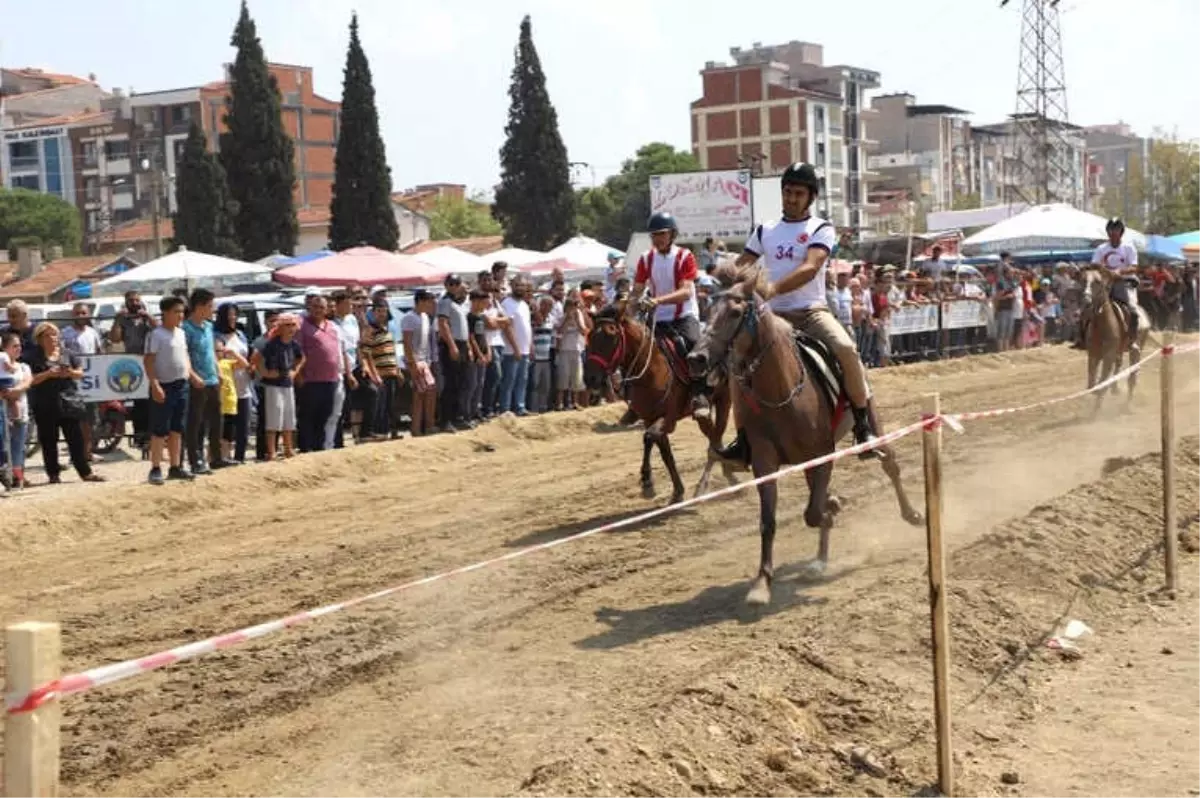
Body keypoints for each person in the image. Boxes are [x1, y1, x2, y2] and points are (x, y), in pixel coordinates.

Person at [716, 162, 879, 463]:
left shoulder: (820, 228)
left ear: (811, 197)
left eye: (798, 193)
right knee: (736, 363)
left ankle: (863, 423)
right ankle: (743, 437)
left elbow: (811, 267)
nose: (791, 198)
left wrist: (773, 288)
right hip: (772, 317)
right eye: (787, 192)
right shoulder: (765, 230)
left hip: (811, 312)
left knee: (845, 348)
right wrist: (725, 271)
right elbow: (744, 262)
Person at [631, 211, 711, 421]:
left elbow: (686, 292)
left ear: (672, 234)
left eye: (662, 234)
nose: (657, 239)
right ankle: (636, 400)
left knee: (694, 347)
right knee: (637, 350)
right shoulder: (646, 259)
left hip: (684, 314)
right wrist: (628, 307)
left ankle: (700, 395)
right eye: (654, 235)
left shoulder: (685, 256)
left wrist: (657, 301)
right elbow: (637, 289)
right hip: (658, 317)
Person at [26, 323, 104, 484]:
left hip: (68, 402)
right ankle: (53, 474)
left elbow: (80, 373)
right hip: (45, 404)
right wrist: (48, 374)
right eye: (47, 335)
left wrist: (69, 372)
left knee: (76, 439)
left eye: (54, 335)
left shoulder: (67, 353)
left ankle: (85, 472)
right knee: (48, 441)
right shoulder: (32, 357)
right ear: (39, 339)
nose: (52, 338)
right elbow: (29, 380)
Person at [144, 296, 197, 484]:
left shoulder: (181, 333)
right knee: (160, 429)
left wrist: (192, 375)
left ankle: (176, 466)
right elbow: (149, 360)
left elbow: (185, 356)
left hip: (181, 384)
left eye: (182, 311)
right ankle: (155, 467)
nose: (180, 315)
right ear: (165, 313)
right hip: (164, 385)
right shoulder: (156, 334)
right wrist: (155, 384)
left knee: (177, 428)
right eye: (176, 311)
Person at [1079, 217, 1140, 353]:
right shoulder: (1101, 248)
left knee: (1132, 309)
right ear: (1107, 231)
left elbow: (1134, 267)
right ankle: (1082, 339)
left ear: (1121, 231)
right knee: (1087, 306)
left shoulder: (1128, 247)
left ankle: (1132, 340)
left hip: (1125, 283)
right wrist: (1103, 270)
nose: (1113, 232)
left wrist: (1119, 271)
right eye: (1111, 229)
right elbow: (1094, 264)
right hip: (1105, 284)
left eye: (1116, 229)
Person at [182, 288, 223, 474]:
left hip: (212, 377)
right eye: (209, 305)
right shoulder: (185, 328)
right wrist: (192, 374)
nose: (212, 309)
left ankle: (216, 457)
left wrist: (218, 370)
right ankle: (195, 459)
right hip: (196, 380)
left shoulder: (208, 326)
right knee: (195, 422)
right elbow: (184, 355)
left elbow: (211, 351)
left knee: (216, 419)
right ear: (199, 306)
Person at [110, 290, 158, 449]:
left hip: (150, 360)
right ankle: (140, 437)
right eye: (131, 301)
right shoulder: (123, 319)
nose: (135, 303)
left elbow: (158, 329)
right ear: (126, 302)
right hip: (134, 362)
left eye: (137, 300)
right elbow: (115, 338)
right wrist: (117, 320)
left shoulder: (146, 317)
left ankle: (154, 436)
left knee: (153, 399)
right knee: (138, 402)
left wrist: (147, 317)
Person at [254, 314, 304, 460]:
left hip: (287, 384)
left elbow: (301, 357)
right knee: (274, 417)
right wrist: (266, 373)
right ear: (280, 327)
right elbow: (256, 359)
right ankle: (271, 451)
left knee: (289, 417)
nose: (290, 328)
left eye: (292, 325)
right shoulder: (272, 344)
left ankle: (288, 448)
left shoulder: (294, 344)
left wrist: (295, 371)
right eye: (287, 325)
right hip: (273, 385)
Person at [214, 302, 251, 464]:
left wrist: (235, 356)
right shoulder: (216, 336)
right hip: (227, 386)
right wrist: (236, 360)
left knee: (244, 425)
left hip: (243, 385)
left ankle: (240, 457)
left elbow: (245, 361)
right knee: (227, 425)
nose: (232, 318)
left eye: (234, 314)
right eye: (229, 314)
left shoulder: (240, 335)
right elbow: (220, 359)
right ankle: (223, 456)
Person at [402, 290, 437, 436]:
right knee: (419, 394)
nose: (432, 305)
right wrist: (412, 362)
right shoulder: (409, 318)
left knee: (429, 390)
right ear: (421, 301)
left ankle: (428, 424)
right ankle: (416, 428)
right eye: (429, 301)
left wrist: (429, 359)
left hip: (424, 360)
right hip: (415, 361)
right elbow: (407, 342)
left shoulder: (425, 317)